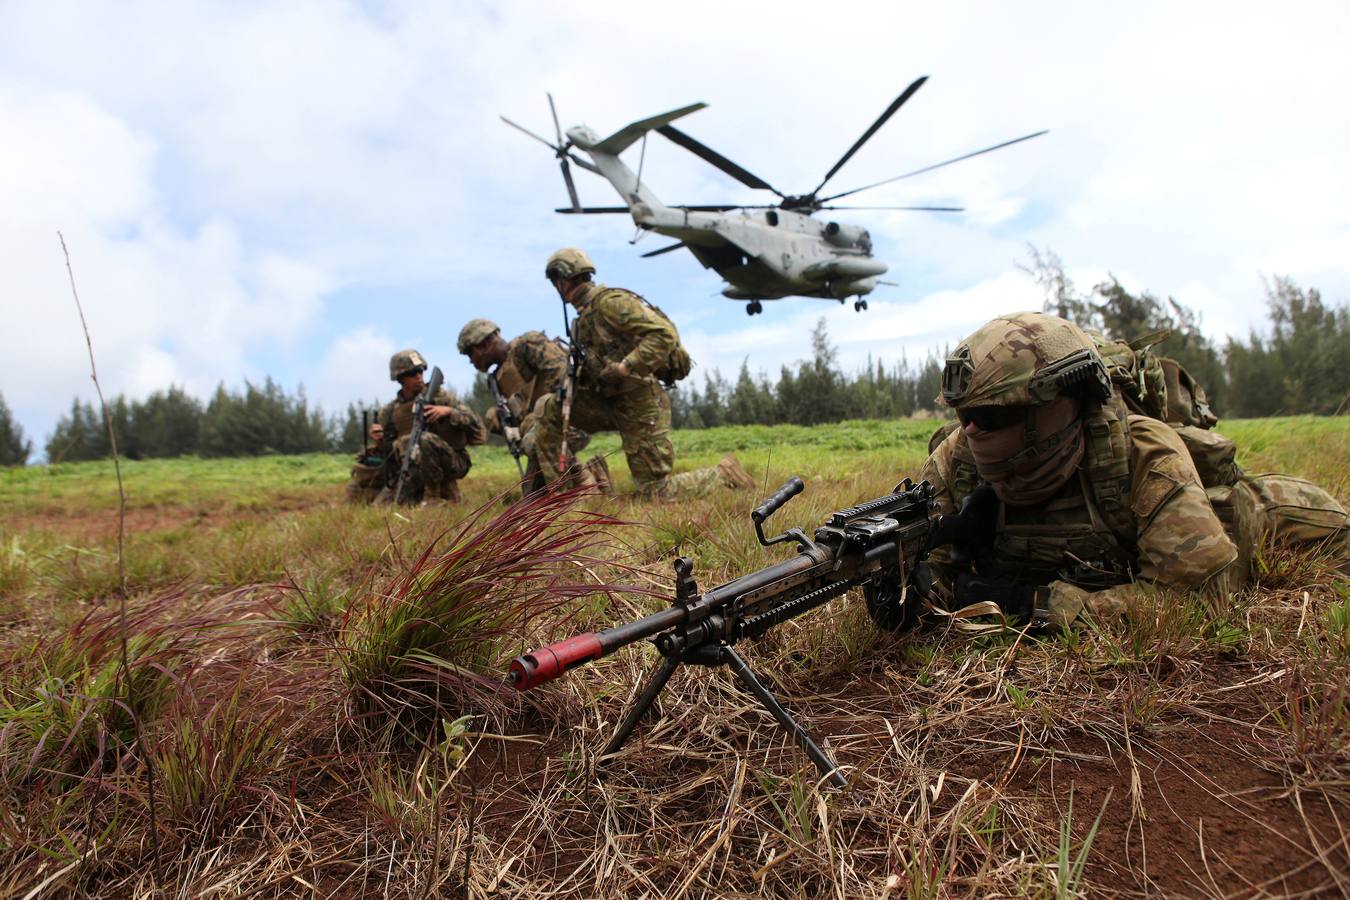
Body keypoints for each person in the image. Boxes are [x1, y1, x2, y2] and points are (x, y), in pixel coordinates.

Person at [904, 311, 1347, 631]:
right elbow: (934, 565)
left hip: (1283, 518)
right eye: (965, 416)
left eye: (994, 415)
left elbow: (1195, 596)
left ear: (1060, 405)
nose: (973, 429)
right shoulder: (956, 458)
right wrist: (917, 592)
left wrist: (1035, 604)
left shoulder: (1142, 454)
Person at [532, 248, 753, 496]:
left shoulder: (609, 303)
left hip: (641, 404)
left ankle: (723, 474)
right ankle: (561, 497)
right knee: (549, 410)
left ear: (564, 278)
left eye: (555, 281)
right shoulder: (583, 317)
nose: (556, 287)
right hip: (609, 400)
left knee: (655, 491)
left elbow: (663, 334)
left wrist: (626, 366)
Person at [456, 317, 608, 494]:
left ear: (485, 344)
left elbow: (562, 373)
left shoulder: (527, 345)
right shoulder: (497, 378)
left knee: (532, 443)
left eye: (470, 353)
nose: (471, 361)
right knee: (532, 497)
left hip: (569, 421)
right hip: (538, 435)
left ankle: (583, 481)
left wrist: (540, 413)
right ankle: (595, 474)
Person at [368, 349, 486, 504]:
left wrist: (448, 412)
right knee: (383, 506)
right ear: (400, 378)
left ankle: (434, 495)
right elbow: (388, 452)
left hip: (450, 462)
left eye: (421, 371)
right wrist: (379, 439)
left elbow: (478, 427)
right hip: (411, 468)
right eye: (412, 373)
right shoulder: (391, 411)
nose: (419, 376)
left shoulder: (441, 397)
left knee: (424, 439)